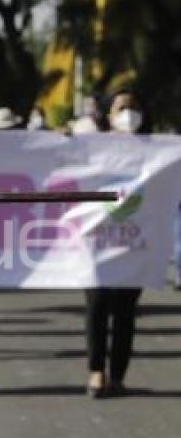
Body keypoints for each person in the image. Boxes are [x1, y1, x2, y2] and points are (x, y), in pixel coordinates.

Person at [85, 88, 150, 398]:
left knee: (125, 311)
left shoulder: (156, 151)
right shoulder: (93, 149)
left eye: (133, 106)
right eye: (121, 107)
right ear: (108, 116)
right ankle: (96, 371)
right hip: (97, 241)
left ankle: (118, 374)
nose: (128, 113)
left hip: (132, 241)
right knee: (97, 306)